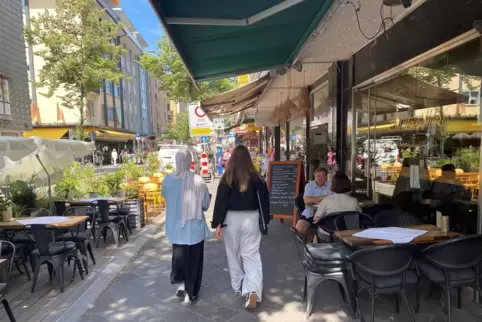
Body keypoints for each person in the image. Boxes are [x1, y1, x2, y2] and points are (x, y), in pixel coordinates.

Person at [212, 145, 270, 310]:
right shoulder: (257, 178)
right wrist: (265, 220)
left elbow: (221, 202)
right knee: (251, 254)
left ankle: (238, 285)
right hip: (252, 218)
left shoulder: (227, 178)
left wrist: (218, 223)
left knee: (233, 254)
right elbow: (264, 201)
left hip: (231, 219)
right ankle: (252, 290)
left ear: (232, 159)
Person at [161, 149, 211, 303]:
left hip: (176, 227)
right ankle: (192, 292)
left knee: (179, 256)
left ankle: (180, 283)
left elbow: (164, 196)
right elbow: (205, 205)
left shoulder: (167, 180)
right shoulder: (198, 181)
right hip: (195, 227)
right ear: (190, 161)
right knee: (195, 259)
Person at [295, 166, 332, 236]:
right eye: (318, 176)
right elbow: (306, 201)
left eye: (323, 176)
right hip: (311, 212)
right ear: (314, 176)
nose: (320, 178)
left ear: (326, 176)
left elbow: (334, 199)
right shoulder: (309, 186)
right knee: (299, 228)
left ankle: (321, 238)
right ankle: (313, 238)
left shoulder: (331, 185)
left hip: (327, 213)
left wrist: (314, 200)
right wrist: (322, 197)